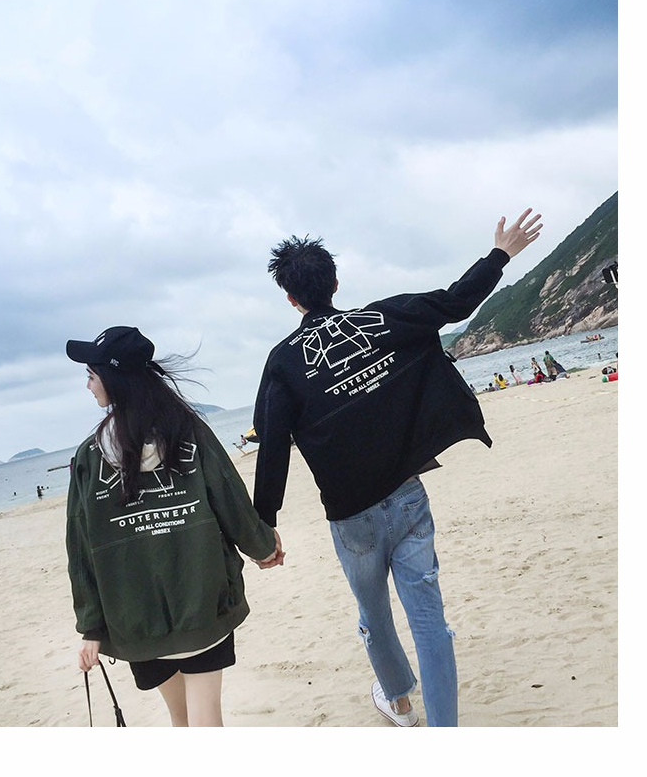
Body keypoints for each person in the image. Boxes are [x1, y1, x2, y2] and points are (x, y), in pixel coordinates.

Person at [251, 208, 542, 727]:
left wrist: (264, 522)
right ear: (335, 283)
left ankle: (401, 705)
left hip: (351, 516)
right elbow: (454, 301)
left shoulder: (283, 361)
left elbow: (272, 444)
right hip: (407, 497)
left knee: (375, 615)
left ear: (291, 298)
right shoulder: (384, 318)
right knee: (429, 620)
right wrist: (500, 254)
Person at [65, 326, 278, 727]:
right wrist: (264, 547)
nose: (88, 386)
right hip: (202, 602)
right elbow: (231, 501)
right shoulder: (190, 433)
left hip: (136, 618)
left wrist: (91, 626)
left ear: (114, 379)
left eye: (91, 375)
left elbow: (80, 552)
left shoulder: (89, 457)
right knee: (205, 719)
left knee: (181, 721)